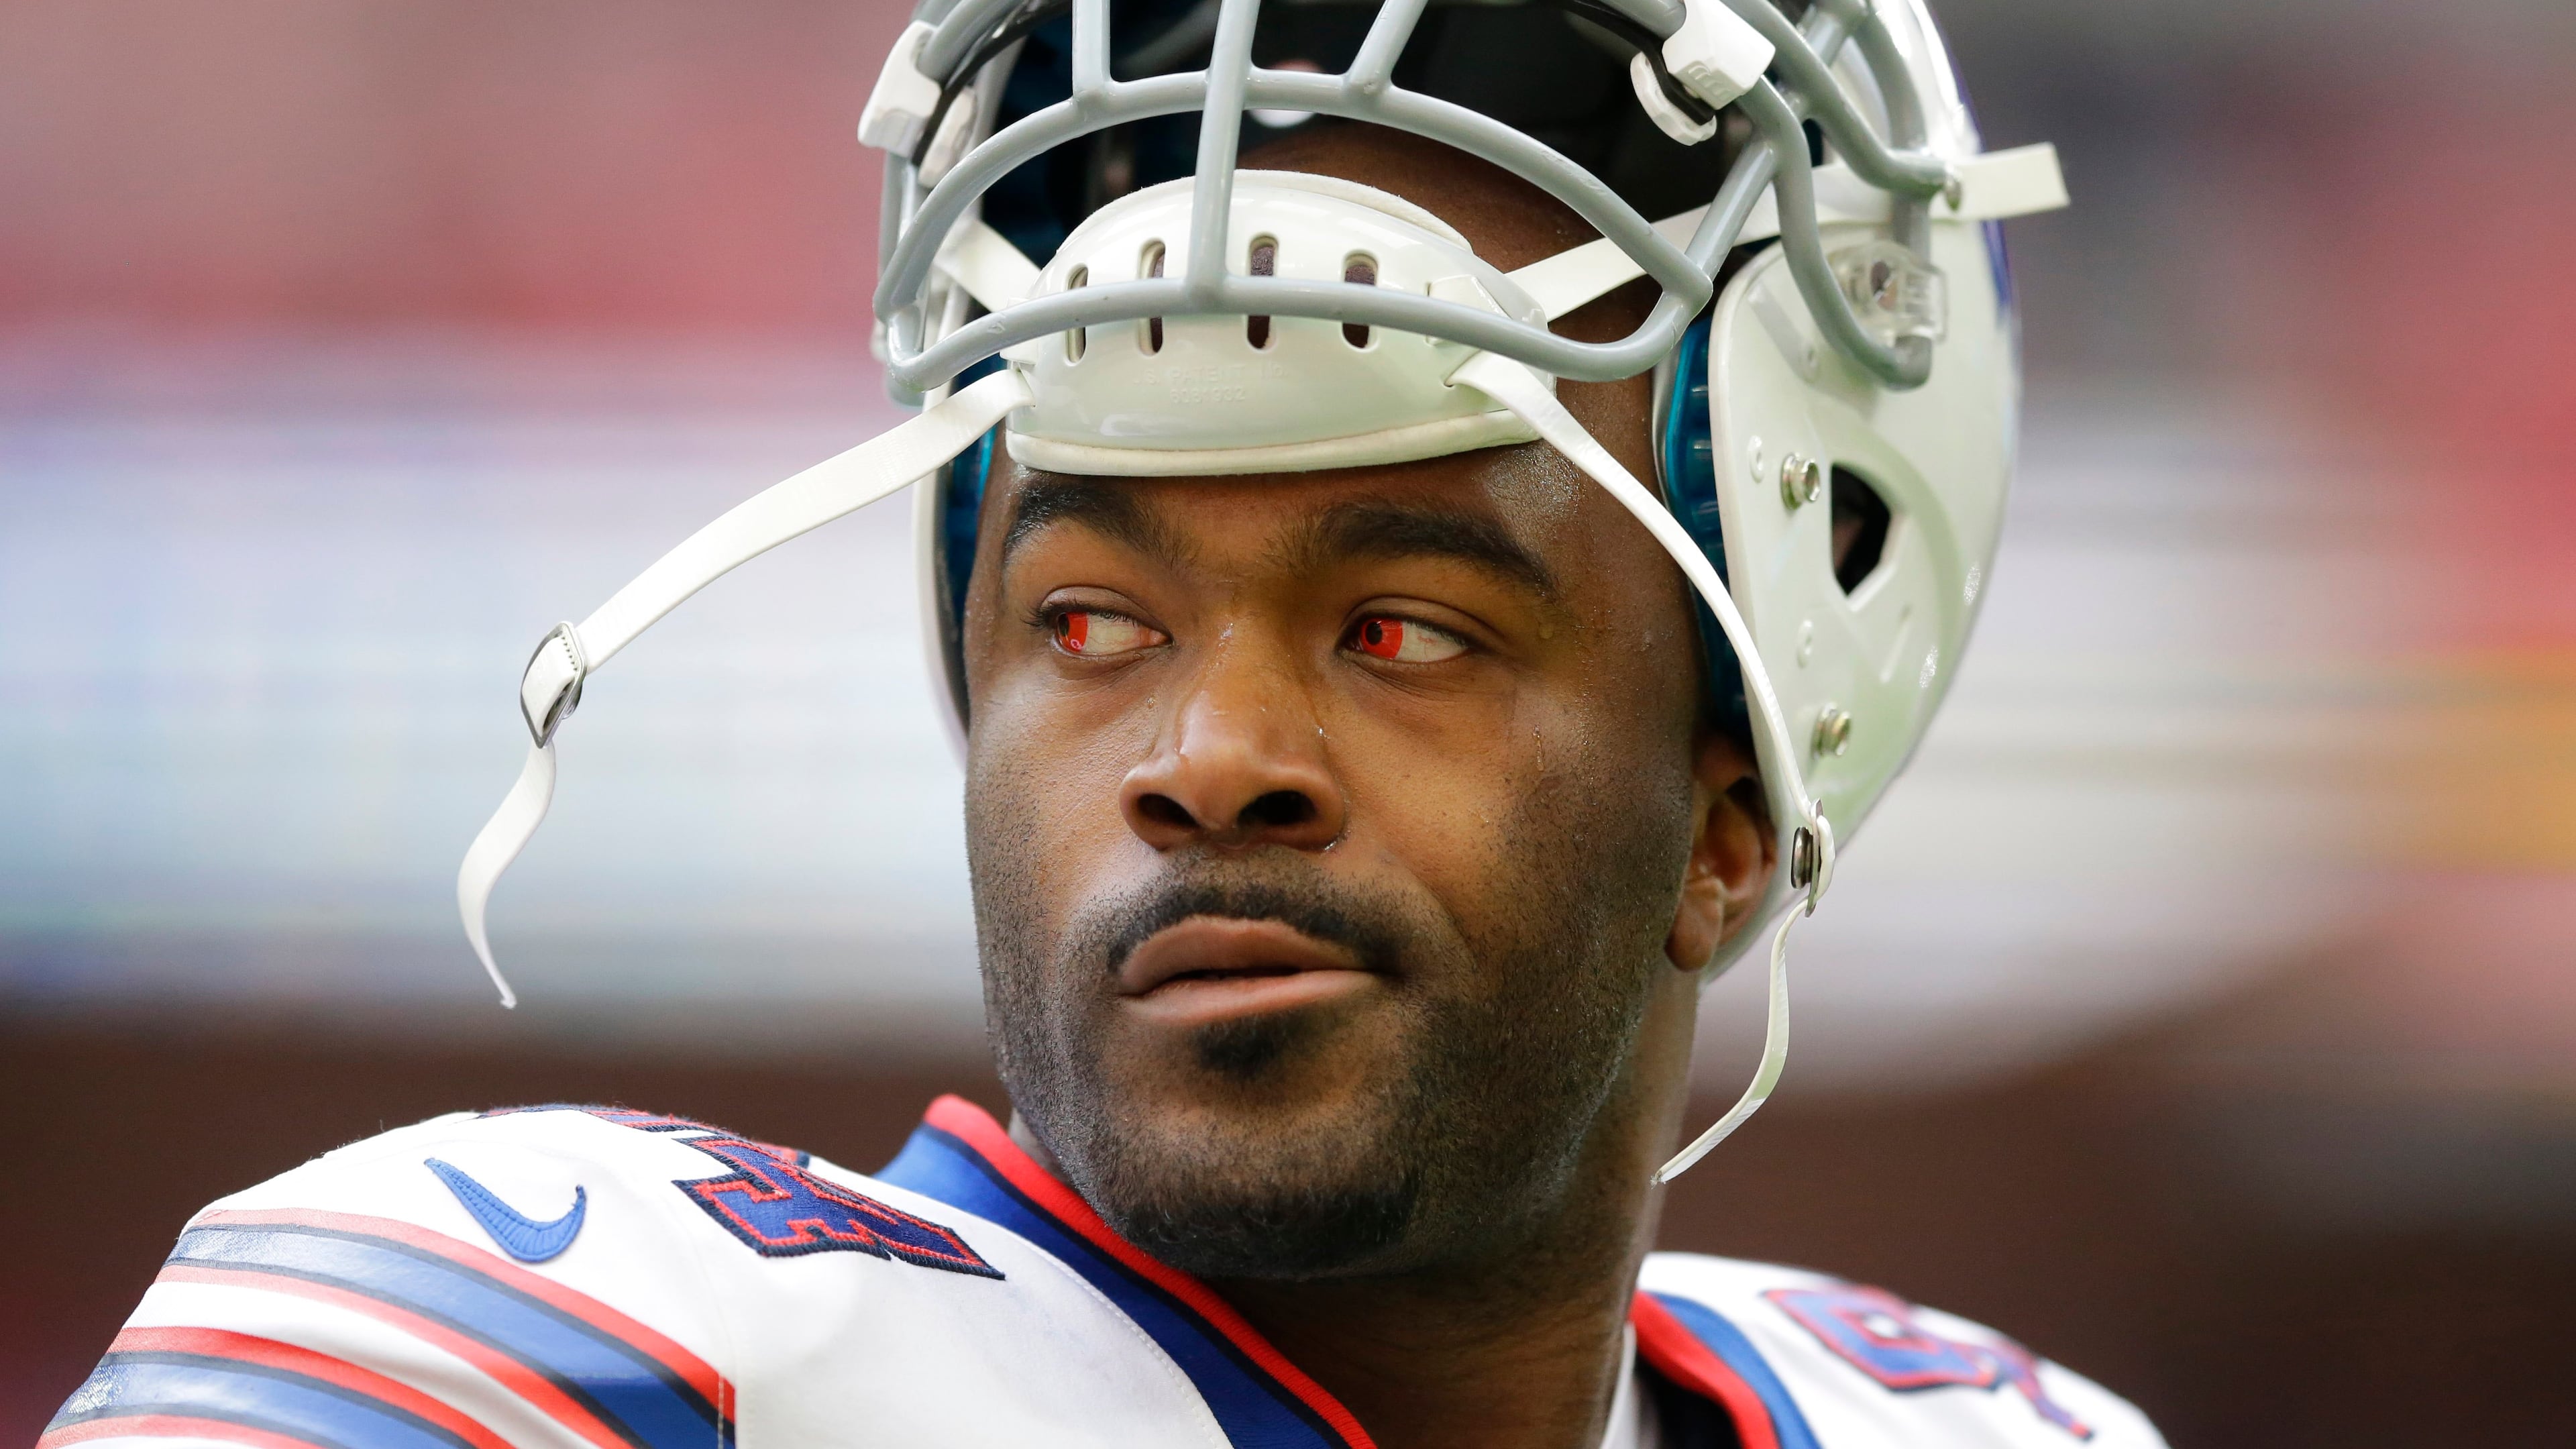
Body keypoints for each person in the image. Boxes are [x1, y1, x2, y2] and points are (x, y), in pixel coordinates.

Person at [43, 1, 2156, 1446]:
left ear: (1728, 799)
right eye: (1092, 618)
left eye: (1406, 627)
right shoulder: (577, 1362)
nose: (1207, 749)